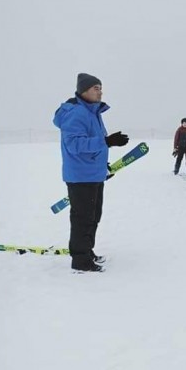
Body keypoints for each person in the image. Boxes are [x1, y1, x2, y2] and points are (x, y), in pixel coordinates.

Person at [52, 73, 130, 273]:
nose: (100, 92)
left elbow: (93, 147)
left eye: (101, 88)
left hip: (92, 174)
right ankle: (80, 260)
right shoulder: (76, 113)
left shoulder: (93, 112)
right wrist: (106, 141)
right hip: (80, 176)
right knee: (82, 219)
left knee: (94, 216)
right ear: (83, 90)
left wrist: (102, 166)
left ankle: (87, 251)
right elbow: (74, 144)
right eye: (96, 88)